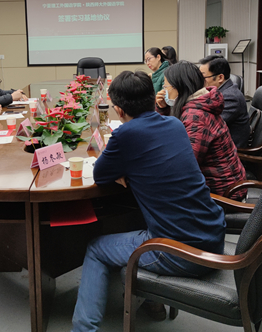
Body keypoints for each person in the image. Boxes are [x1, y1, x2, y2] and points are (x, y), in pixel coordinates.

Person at [71, 70, 226, 332]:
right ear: (153, 98)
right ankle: (153, 304)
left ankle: (83, 330)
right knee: (139, 218)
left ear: (118, 110)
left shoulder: (125, 135)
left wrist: (125, 171)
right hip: (213, 236)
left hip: (179, 253)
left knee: (96, 249)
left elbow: (100, 175)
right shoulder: (175, 124)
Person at [155, 61, 246, 199]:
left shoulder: (196, 116)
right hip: (220, 182)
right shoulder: (199, 102)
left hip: (222, 192)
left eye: (166, 87)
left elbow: (185, 166)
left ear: (179, 87)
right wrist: (163, 109)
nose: (164, 92)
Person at [198, 55, 250, 148]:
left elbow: (209, 126)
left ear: (220, 78)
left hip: (228, 149)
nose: (200, 81)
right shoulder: (219, 91)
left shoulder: (230, 97)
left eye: (203, 77)